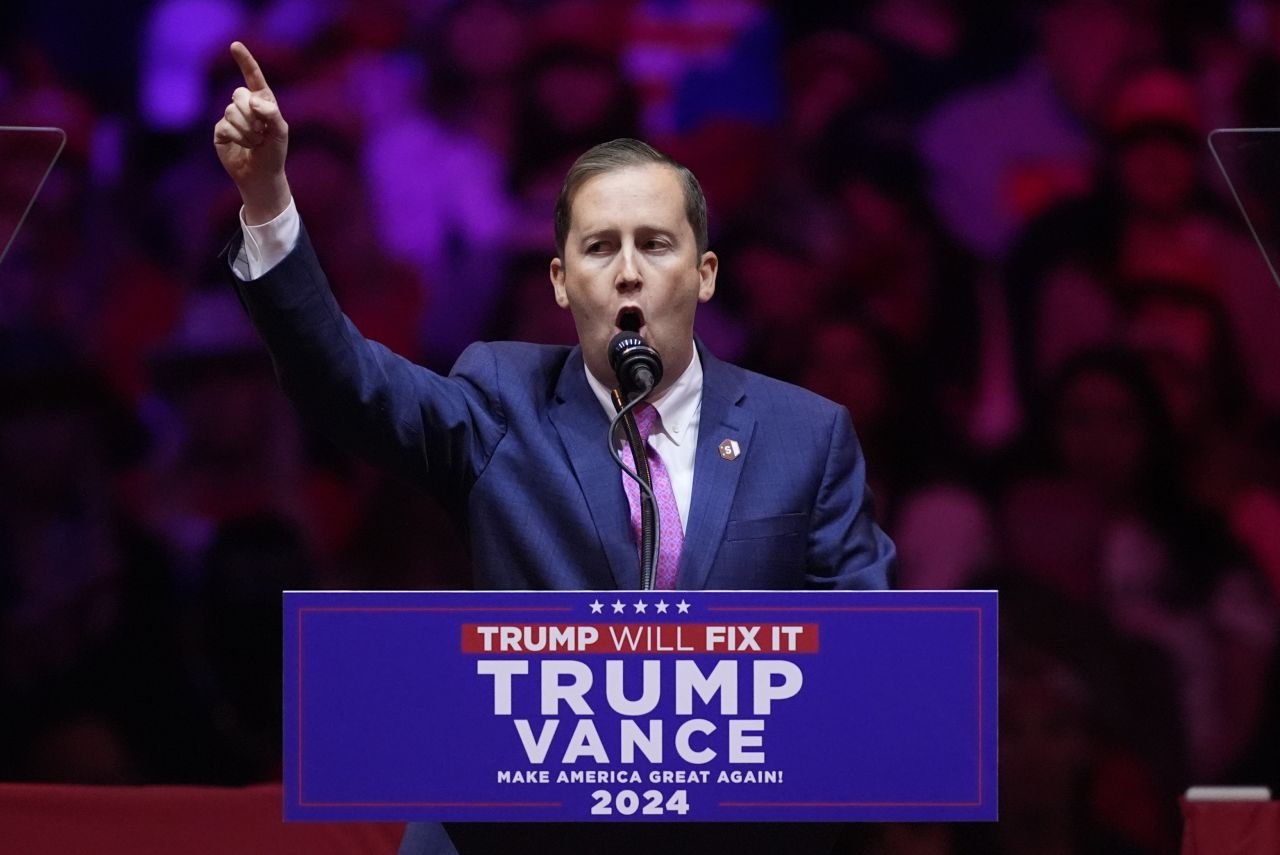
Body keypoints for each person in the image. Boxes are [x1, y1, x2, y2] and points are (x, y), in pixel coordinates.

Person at [213, 41, 895, 855]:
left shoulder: (806, 436)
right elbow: (345, 380)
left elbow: (871, 668)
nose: (630, 273)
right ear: (561, 281)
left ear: (706, 274)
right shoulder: (503, 401)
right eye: (601, 248)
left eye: (658, 244)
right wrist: (267, 199)